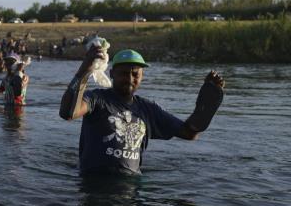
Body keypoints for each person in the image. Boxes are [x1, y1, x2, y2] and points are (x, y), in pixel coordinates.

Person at [59, 47, 225, 176]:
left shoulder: (148, 109)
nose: (130, 79)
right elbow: (68, 112)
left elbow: (189, 134)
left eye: (135, 74)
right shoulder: (97, 99)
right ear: (112, 74)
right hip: (92, 182)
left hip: (130, 185)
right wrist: (84, 71)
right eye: (124, 73)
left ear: (142, 76)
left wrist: (204, 106)